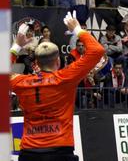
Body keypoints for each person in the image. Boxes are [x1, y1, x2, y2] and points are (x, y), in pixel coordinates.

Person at [10, 11, 105, 161]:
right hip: (60, 151)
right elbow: (97, 50)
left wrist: (16, 46)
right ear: (58, 62)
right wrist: (78, 30)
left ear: (37, 63)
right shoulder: (66, 78)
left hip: (29, 152)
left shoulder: (21, 82)